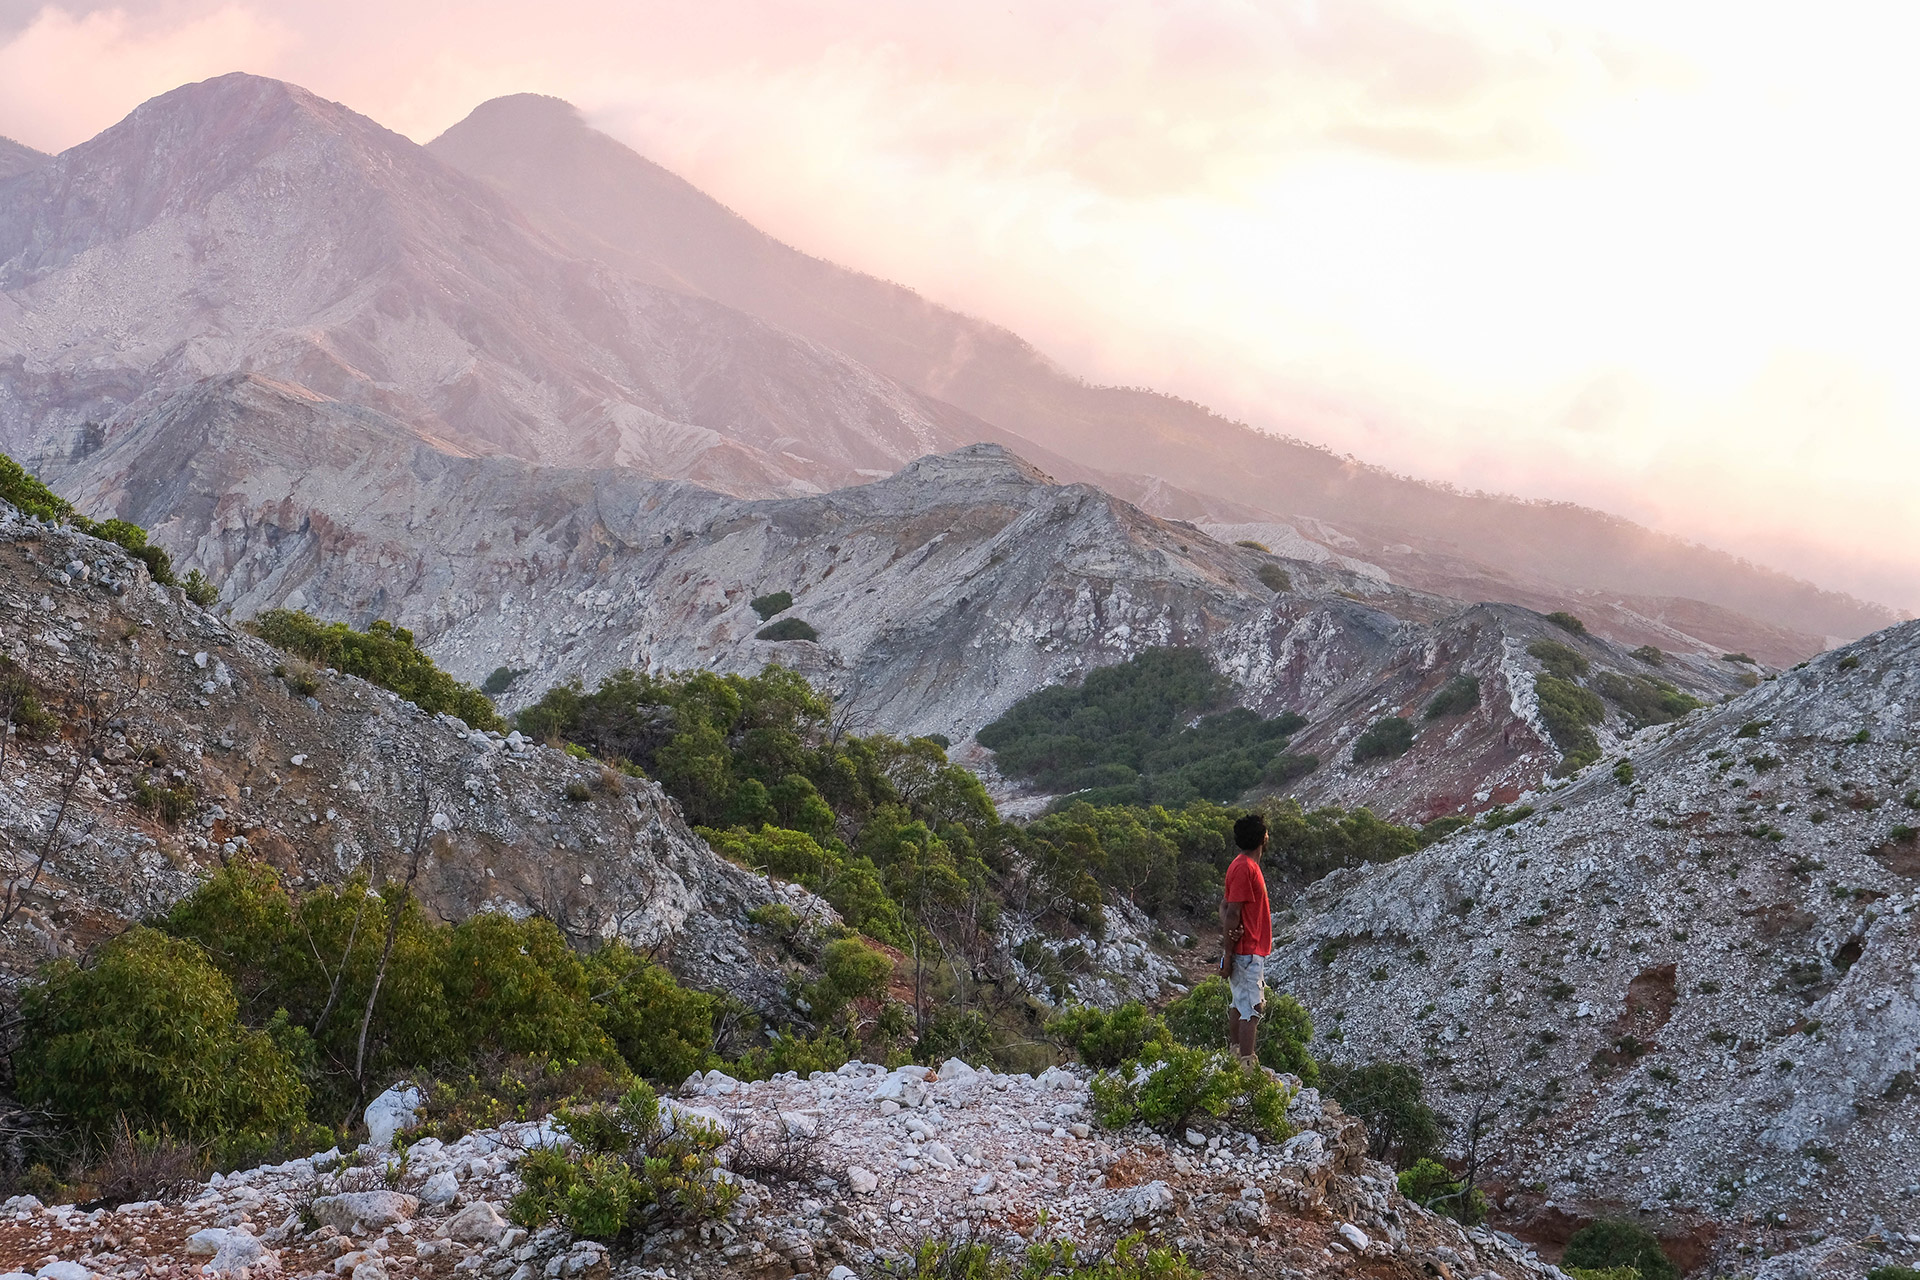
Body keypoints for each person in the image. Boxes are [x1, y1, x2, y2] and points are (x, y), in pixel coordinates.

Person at [1218, 812, 1272, 1064]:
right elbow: (1231, 911)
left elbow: (1225, 907)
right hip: (1247, 951)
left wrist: (1231, 929)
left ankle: (1235, 1054)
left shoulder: (1242, 865)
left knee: (1240, 1004)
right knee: (1252, 1008)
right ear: (1263, 838)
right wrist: (1228, 954)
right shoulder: (1244, 868)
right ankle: (1247, 1064)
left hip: (1247, 949)